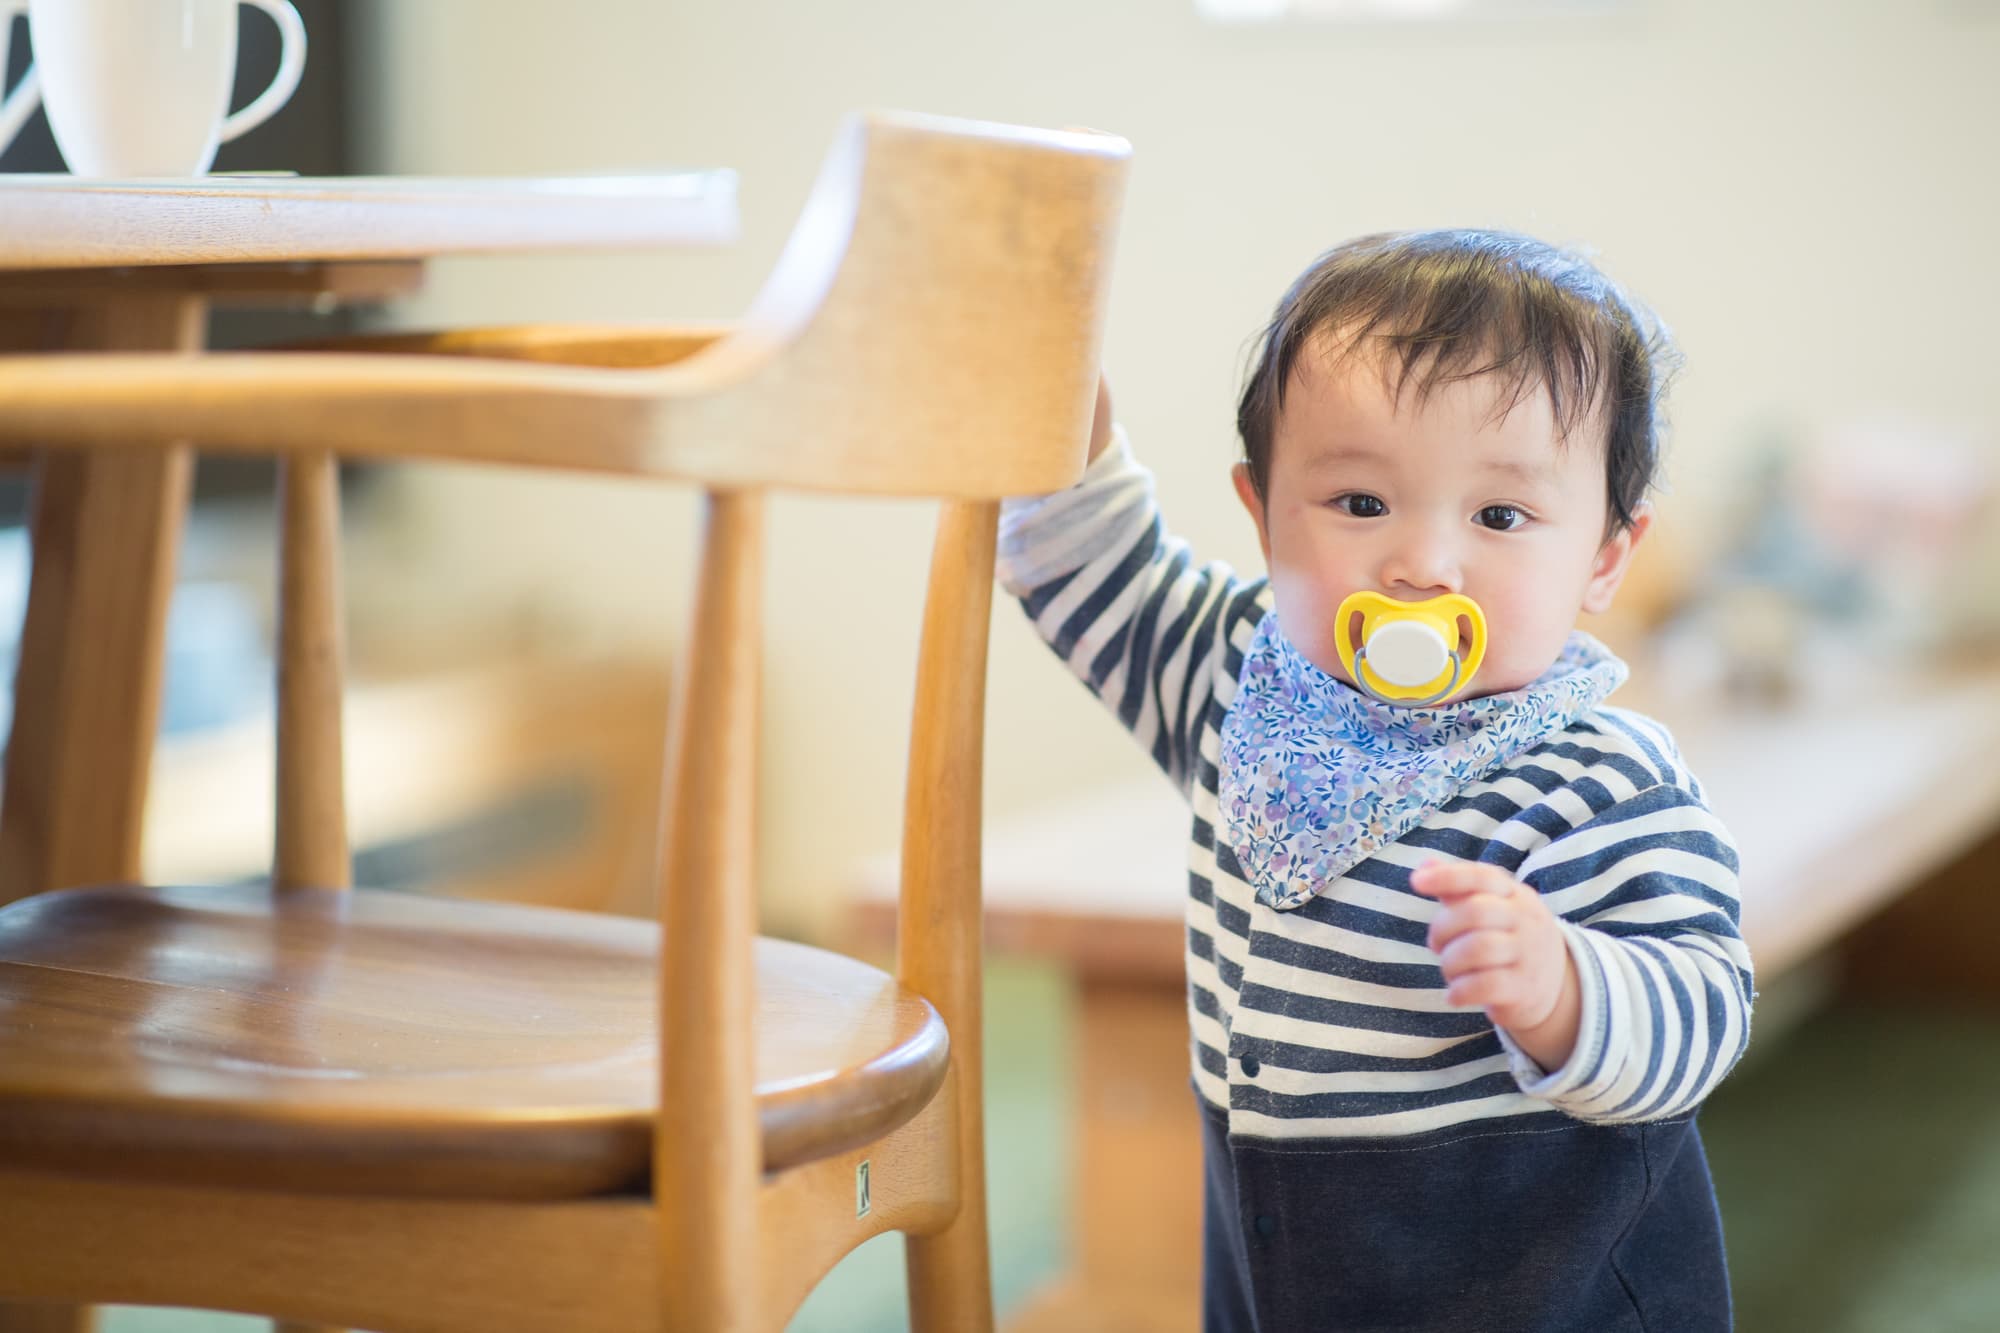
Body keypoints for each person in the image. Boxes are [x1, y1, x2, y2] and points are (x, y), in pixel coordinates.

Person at [996, 229, 1754, 1332]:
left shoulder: (1598, 777)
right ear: (1262, 514)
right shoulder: (1238, 673)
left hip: (1532, 1275)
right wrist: (1060, 416)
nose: (1421, 565)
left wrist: (1562, 988)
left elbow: (1701, 1006)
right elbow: (1088, 564)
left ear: (1602, 556)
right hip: (1284, 1235)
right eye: (1359, 503)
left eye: (1498, 517)